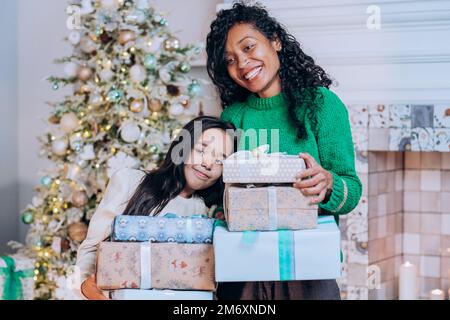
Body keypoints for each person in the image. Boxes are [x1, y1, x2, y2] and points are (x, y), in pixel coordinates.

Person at [206, 2, 362, 300]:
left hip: (308, 272)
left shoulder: (321, 105)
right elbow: (217, 195)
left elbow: (351, 192)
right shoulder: (233, 118)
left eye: (249, 47)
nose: (242, 63)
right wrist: (222, 211)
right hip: (243, 272)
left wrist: (328, 183)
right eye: (230, 60)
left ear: (275, 41)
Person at [75, 116, 235, 300]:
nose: (207, 164)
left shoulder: (203, 213)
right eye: (201, 150)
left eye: (220, 161)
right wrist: (86, 286)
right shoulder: (130, 181)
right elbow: (91, 248)